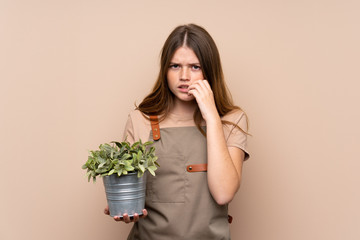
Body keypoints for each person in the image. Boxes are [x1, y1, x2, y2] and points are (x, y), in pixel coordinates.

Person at [104, 23, 250, 240]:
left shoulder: (231, 120)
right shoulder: (140, 120)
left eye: (195, 67)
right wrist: (125, 207)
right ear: (164, 70)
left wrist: (211, 117)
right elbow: (128, 193)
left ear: (210, 70)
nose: (184, 76)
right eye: (175, 66)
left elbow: (224, 193)